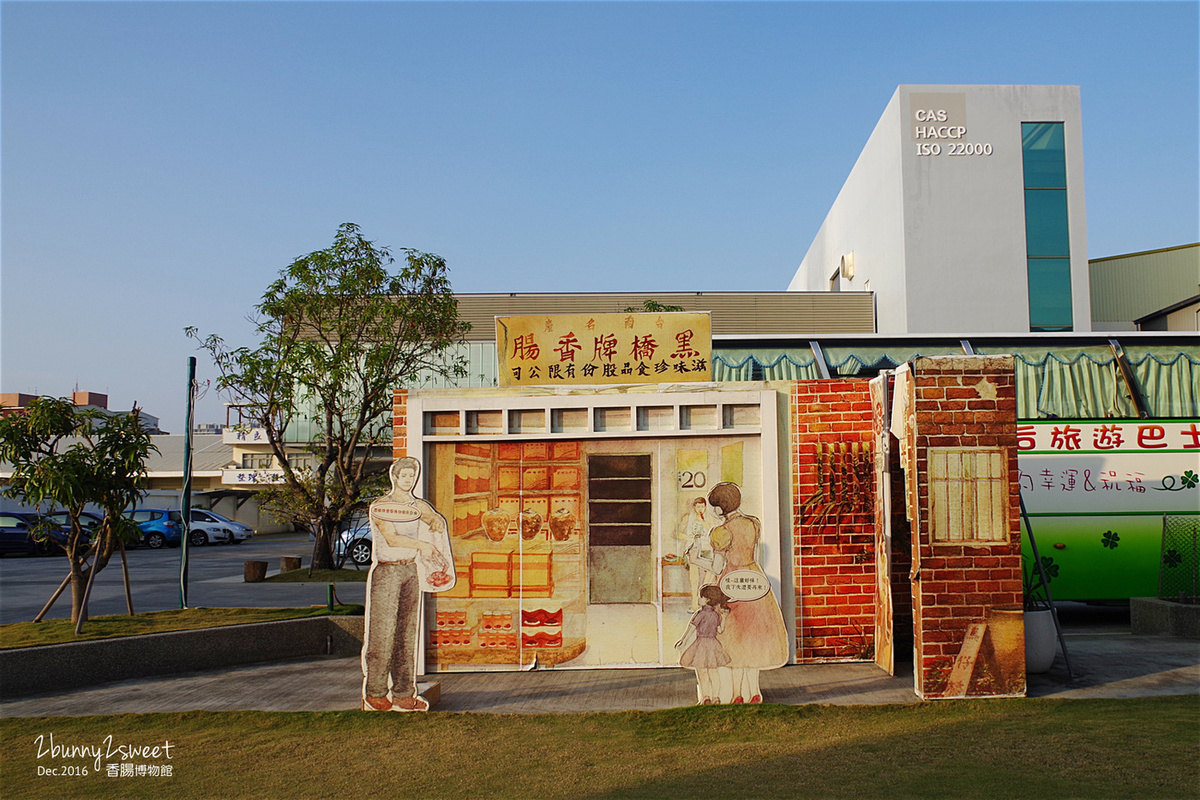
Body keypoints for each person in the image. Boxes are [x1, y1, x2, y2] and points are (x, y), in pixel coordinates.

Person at [361, 457, 454, 712]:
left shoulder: (416, 505)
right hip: (387, 571)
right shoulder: (381, 506)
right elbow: (391, 538)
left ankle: (403, 693)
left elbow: (433, 518)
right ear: (395, 477)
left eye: (412, 477)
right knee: (383, 632)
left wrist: (435, 521)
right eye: (404, 476)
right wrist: (423, 545)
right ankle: (375, 691)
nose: (408, 480)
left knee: (406, 634)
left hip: (410, 570)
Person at [707, 481, 788, 704]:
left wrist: (696, 560)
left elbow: (716, 566)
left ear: (720, 508)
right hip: (754, 580)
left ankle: (736, 695)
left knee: (734, 640)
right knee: (753, 638)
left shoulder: (721, 531)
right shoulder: (753, 523)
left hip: (731, 583)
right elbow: (755, 554)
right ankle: (754, 692)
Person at [677, 584, 732, 705]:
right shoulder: (715, 615)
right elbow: (720, 631)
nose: (698, 599)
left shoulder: (700, 614)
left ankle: (706, 696)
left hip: (701, 644)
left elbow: (691, 628)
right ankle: (716, 697)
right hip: (713, 645)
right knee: (713, 672)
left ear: (707, 600)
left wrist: (683, 641)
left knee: (702, 672)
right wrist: (724, 617)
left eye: (700, 597)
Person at [676, 496, 718, 611]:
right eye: (698, 506)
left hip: (707, 549)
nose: (700, 509)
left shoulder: (710, 518)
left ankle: (704, 602)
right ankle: (694, 604)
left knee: (708, 577)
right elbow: (677, 533)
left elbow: (714, 532)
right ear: (694, 507)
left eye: (702, 506)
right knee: (694, 578)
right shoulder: (688, 518)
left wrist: (704, 522)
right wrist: (689, 538)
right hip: (693, 548)